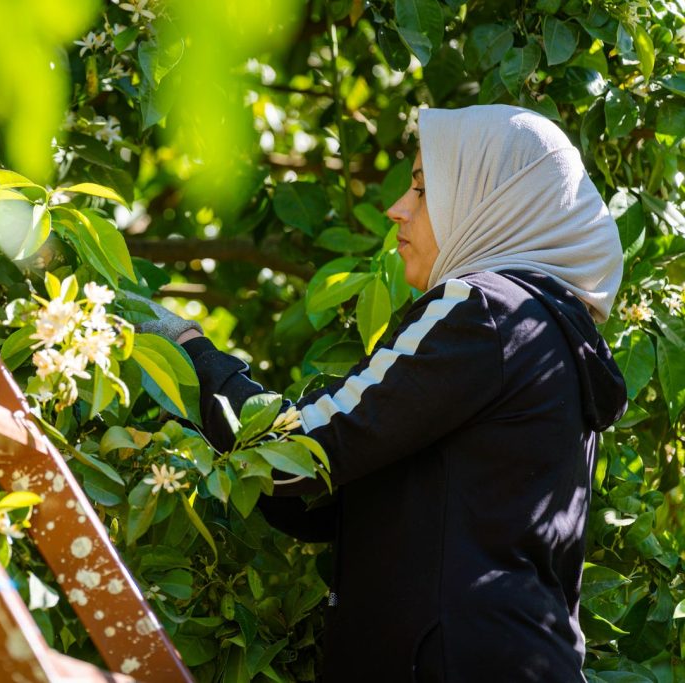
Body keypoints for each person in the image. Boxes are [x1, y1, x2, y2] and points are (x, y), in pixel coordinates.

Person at [130, 105, 627, 681]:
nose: (398, 208)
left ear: (489, 199)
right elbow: (317, 501)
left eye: (421, 188)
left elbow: (304, 452)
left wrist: (184, 350)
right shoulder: (551, 339)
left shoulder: (484, 308)